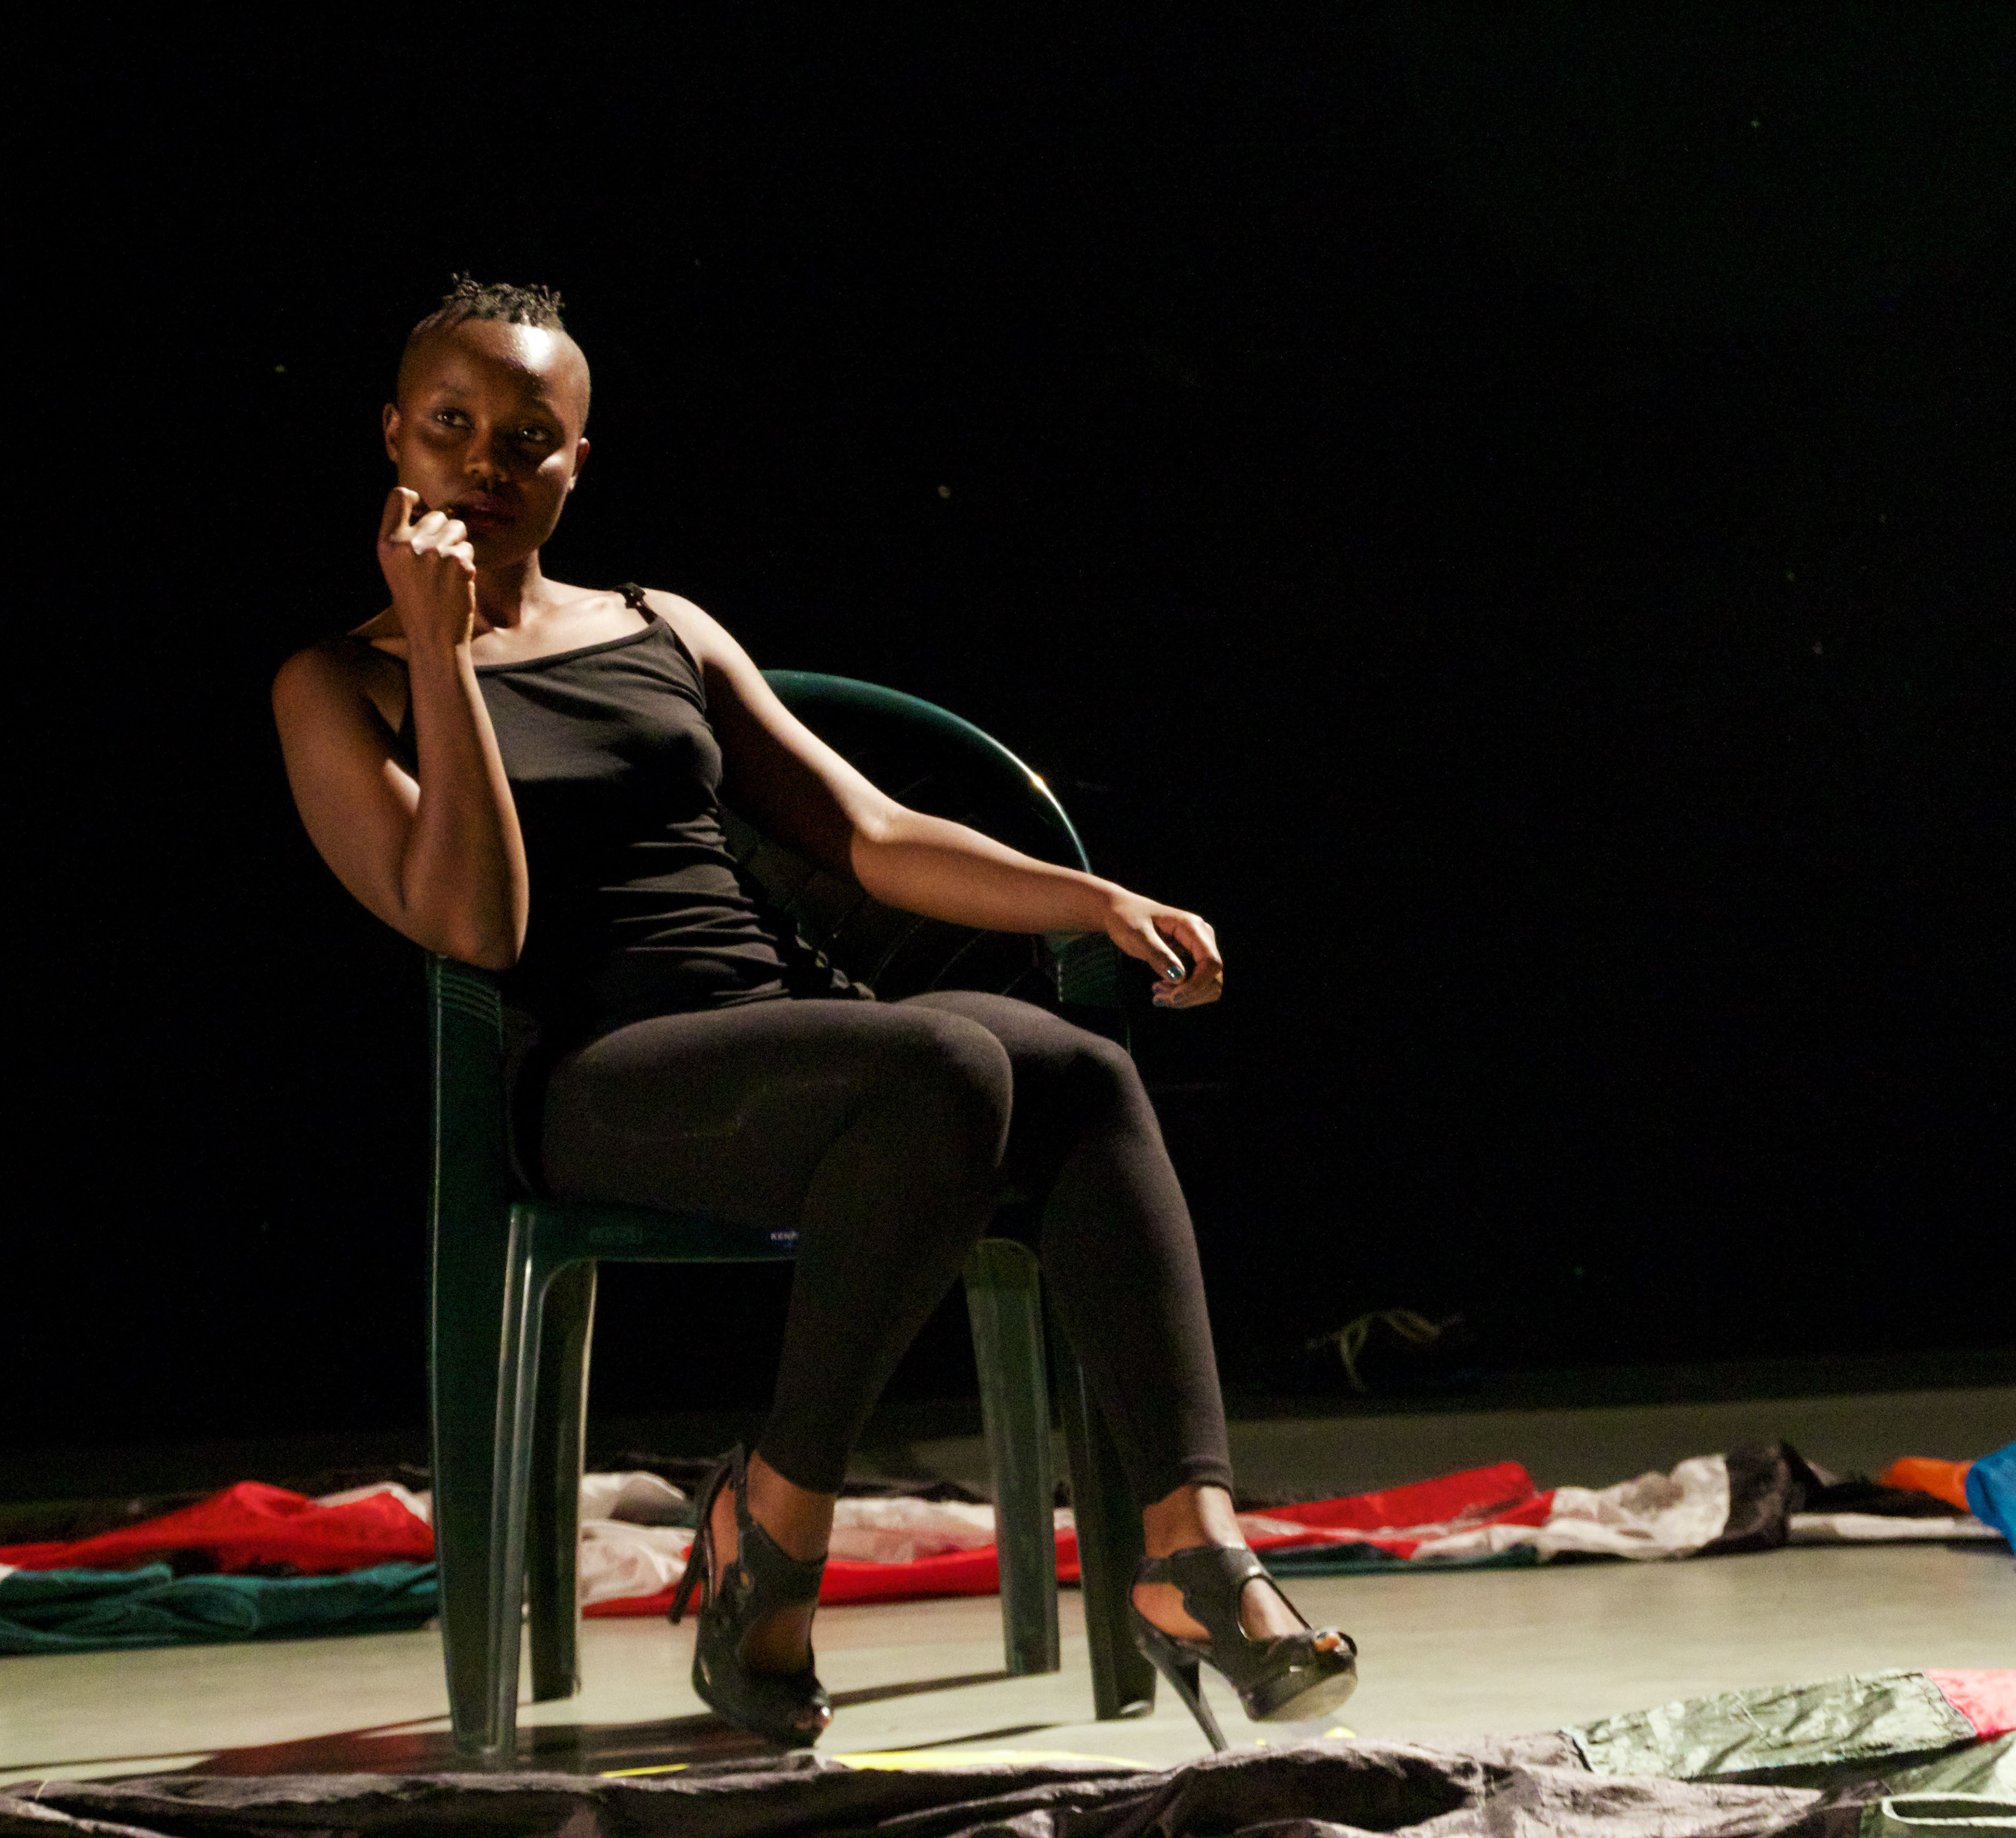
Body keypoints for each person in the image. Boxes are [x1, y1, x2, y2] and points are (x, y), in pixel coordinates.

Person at [271, 276, 1357, 1750]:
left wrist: (1093, 899)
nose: (487, 463)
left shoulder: (661, 625)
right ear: (395, 436)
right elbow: (477, 925)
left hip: (796, 1043)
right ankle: (776, 1529)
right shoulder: (339, 683)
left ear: (578, 460)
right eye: (452, 426)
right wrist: (445, 651)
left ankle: (1191, 1554)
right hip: (594, 1082)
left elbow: (868, 832)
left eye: (529, 436)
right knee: (941, 1062)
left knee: (1080, 1073)